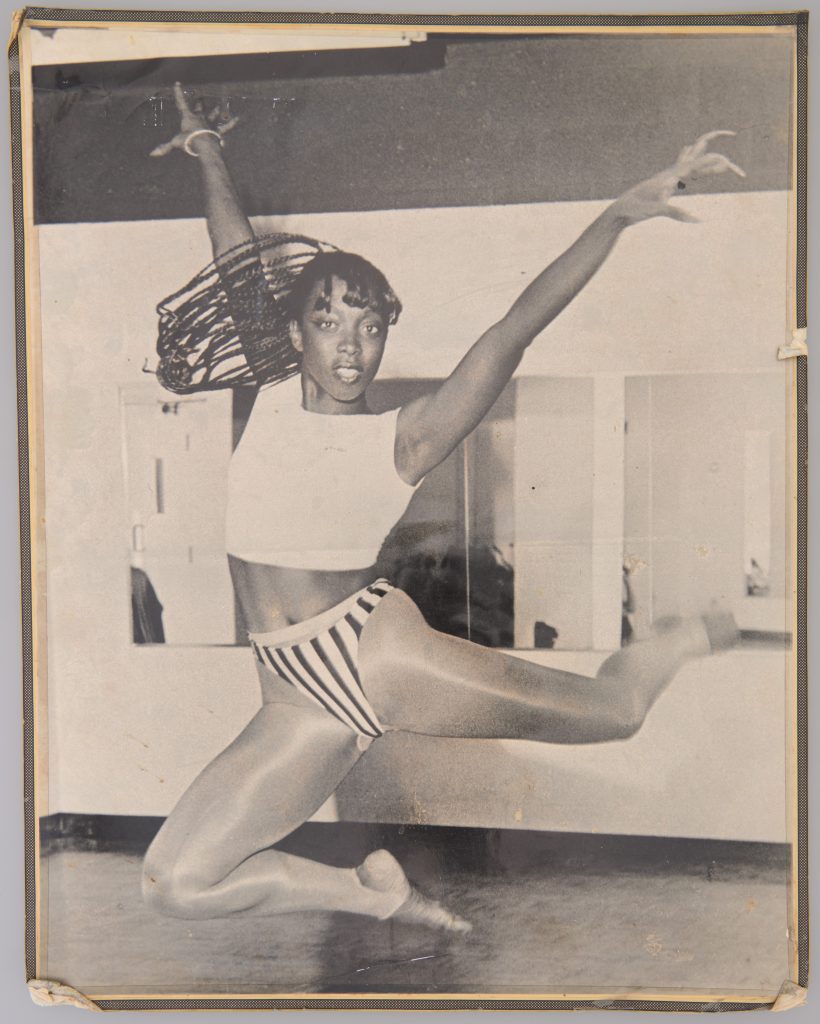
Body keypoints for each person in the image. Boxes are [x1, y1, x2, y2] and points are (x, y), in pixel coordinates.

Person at [141, 85, 744, 931]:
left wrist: (617, 216)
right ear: (298, 331)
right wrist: (206, 144)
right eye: (329, 324)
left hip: (369, 658)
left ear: (384, 333)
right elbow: (234, 247)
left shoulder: (405, 439)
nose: (351, 348)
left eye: (369, 329)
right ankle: (371, 896)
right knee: (174, 883)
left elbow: (510, 331)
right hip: (292, 696)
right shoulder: (272, 388)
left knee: (616, 715)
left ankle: (683, 638)